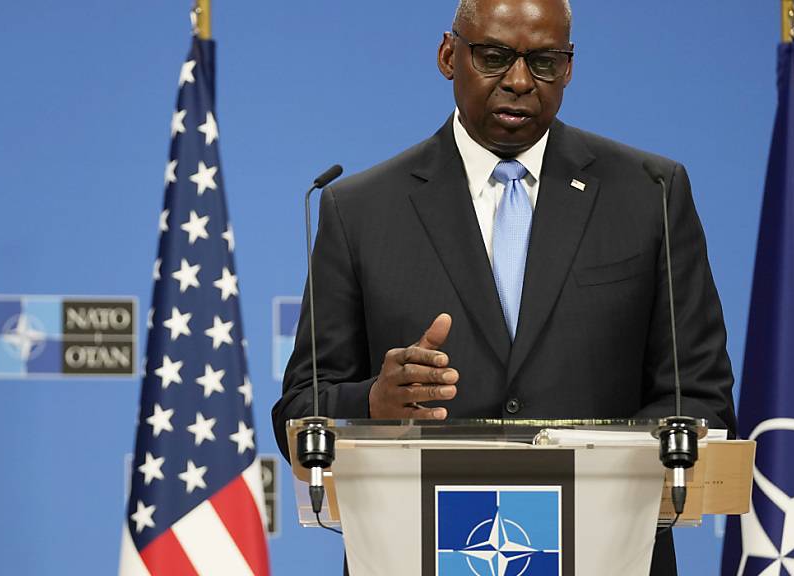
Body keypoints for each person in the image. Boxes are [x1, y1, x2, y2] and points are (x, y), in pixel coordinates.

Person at [272, 0, 736, 573]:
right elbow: (300, 410)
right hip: (418, 550)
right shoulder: (361, 209)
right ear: (449, 55)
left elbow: (701, 397)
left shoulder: (649, 194)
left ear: (569, 69)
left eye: (544, 62)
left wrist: (596, 469)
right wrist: (372, 403)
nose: (519, 81)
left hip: (608, 551)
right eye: (493, 57)